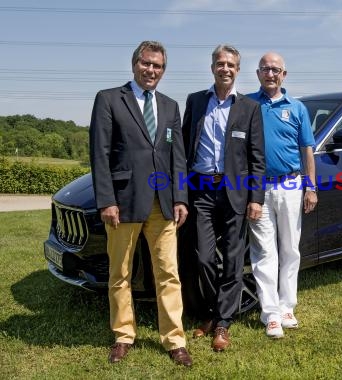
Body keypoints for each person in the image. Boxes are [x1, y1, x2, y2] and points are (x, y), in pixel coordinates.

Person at [89, 41, 192, 367]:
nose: (151, 71)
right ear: (135, 64)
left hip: (162, 205)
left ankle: (175, 340)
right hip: (123, 203)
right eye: (147, 64)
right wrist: (107, 199)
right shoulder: (109, 99)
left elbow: (177, 157)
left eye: (158, 66)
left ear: (163, 70)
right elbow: (100, 154)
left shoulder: (171, 106)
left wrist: (180, 197)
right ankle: (123, 335)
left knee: (169, 274)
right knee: (120, 273)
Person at [181, 44, 265, 352]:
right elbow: (182, 149)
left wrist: (256, 198)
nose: (225, 68)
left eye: (231, 64)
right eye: (220, 63)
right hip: (201, 191)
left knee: (232, 260)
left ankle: (223, 324)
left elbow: (257, 157)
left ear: (238, 70)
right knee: (202, 257)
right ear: (212, 66)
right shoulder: (195, 101)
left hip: (235, 195)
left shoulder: (248, 108)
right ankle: (208, 313)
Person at [247, 52, 317, 338]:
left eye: (275, 69)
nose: (270, 74)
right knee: (264, 251)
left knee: (290, 248)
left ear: (284, 75)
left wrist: (311, 186)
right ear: (258, 73)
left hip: (291, 184)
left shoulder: (298, 108)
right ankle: (270, 313)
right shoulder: (248, 105)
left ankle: (287, 307)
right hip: (259, 188)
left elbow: (307, 150)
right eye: (265, 69)